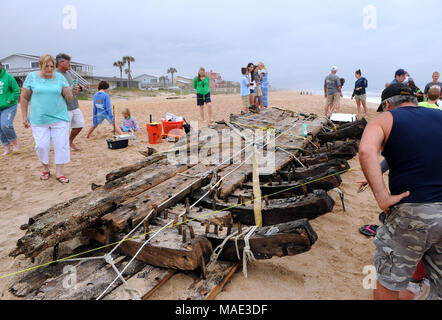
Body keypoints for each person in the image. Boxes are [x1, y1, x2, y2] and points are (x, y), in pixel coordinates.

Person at [359, 83, 442, 300]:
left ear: (387, 104)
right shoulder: (438, 116)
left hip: (413, 211)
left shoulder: (385, 119)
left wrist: (382, 197)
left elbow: (366, 151)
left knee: (388, 281)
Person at [20, 54, 79, 183]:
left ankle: (60, 173)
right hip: (38, 119)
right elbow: (24, 97)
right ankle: (46, 169)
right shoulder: (32, 77)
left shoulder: (60, 77)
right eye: (46, 65)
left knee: (61, 145)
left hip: (60, 118)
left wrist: (74, 92)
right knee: (41, 146)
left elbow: (69, 98)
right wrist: (24, 116)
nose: (49, 68)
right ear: (41, 65)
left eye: (52, 66)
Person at [55, 53, 85, 152]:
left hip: (74, 105)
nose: (70, 65)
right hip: (64, 107)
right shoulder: (55, 74)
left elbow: (73, 84)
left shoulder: (68, 73)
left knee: (80, 125)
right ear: (60, 62)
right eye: (68, 62)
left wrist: (79, 87)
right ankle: (63, 148)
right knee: (63, 130)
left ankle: (70, 141)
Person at [0, 62, 21, 156]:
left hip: (9, 106)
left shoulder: (8, 77)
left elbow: (17, 91)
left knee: (6, 125)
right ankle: (7, 148)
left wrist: (9, 100)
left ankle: (15, 144)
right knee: (0, 128)